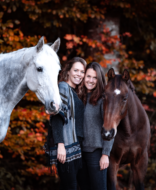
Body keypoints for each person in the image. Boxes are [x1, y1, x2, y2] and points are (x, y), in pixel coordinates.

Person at [45, 57, 86, 190]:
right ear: (68, 71)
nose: (79, 74)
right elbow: (57, 117)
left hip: (75, 148)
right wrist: (60, 145)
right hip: (67, 149)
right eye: (76, 70)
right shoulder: (63, 88)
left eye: (82, 71)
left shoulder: (73, 91)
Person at [77, 62, 115, 190]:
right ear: (83, 77)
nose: (91, 80)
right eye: (88, 76)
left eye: (95, 78)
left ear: (99, 80)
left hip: (96, 154)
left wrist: (105, 154)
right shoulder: (79, 97)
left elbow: (110, 127)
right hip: (80, 153)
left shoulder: (103, 100)